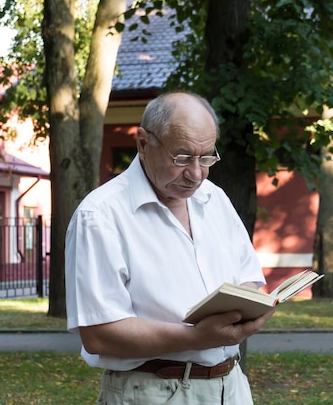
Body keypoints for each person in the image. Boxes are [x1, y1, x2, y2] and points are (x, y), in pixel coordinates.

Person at [65, 91, 273, 405]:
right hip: (153, 391)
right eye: (183, 157)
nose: (196, 174)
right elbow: (98, 333)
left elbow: (249, 278)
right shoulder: (100, 216)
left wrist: (248, 309)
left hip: (230, 387)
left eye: (206, 158)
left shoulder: (214, 198)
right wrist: (197, 338)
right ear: (143, 144)